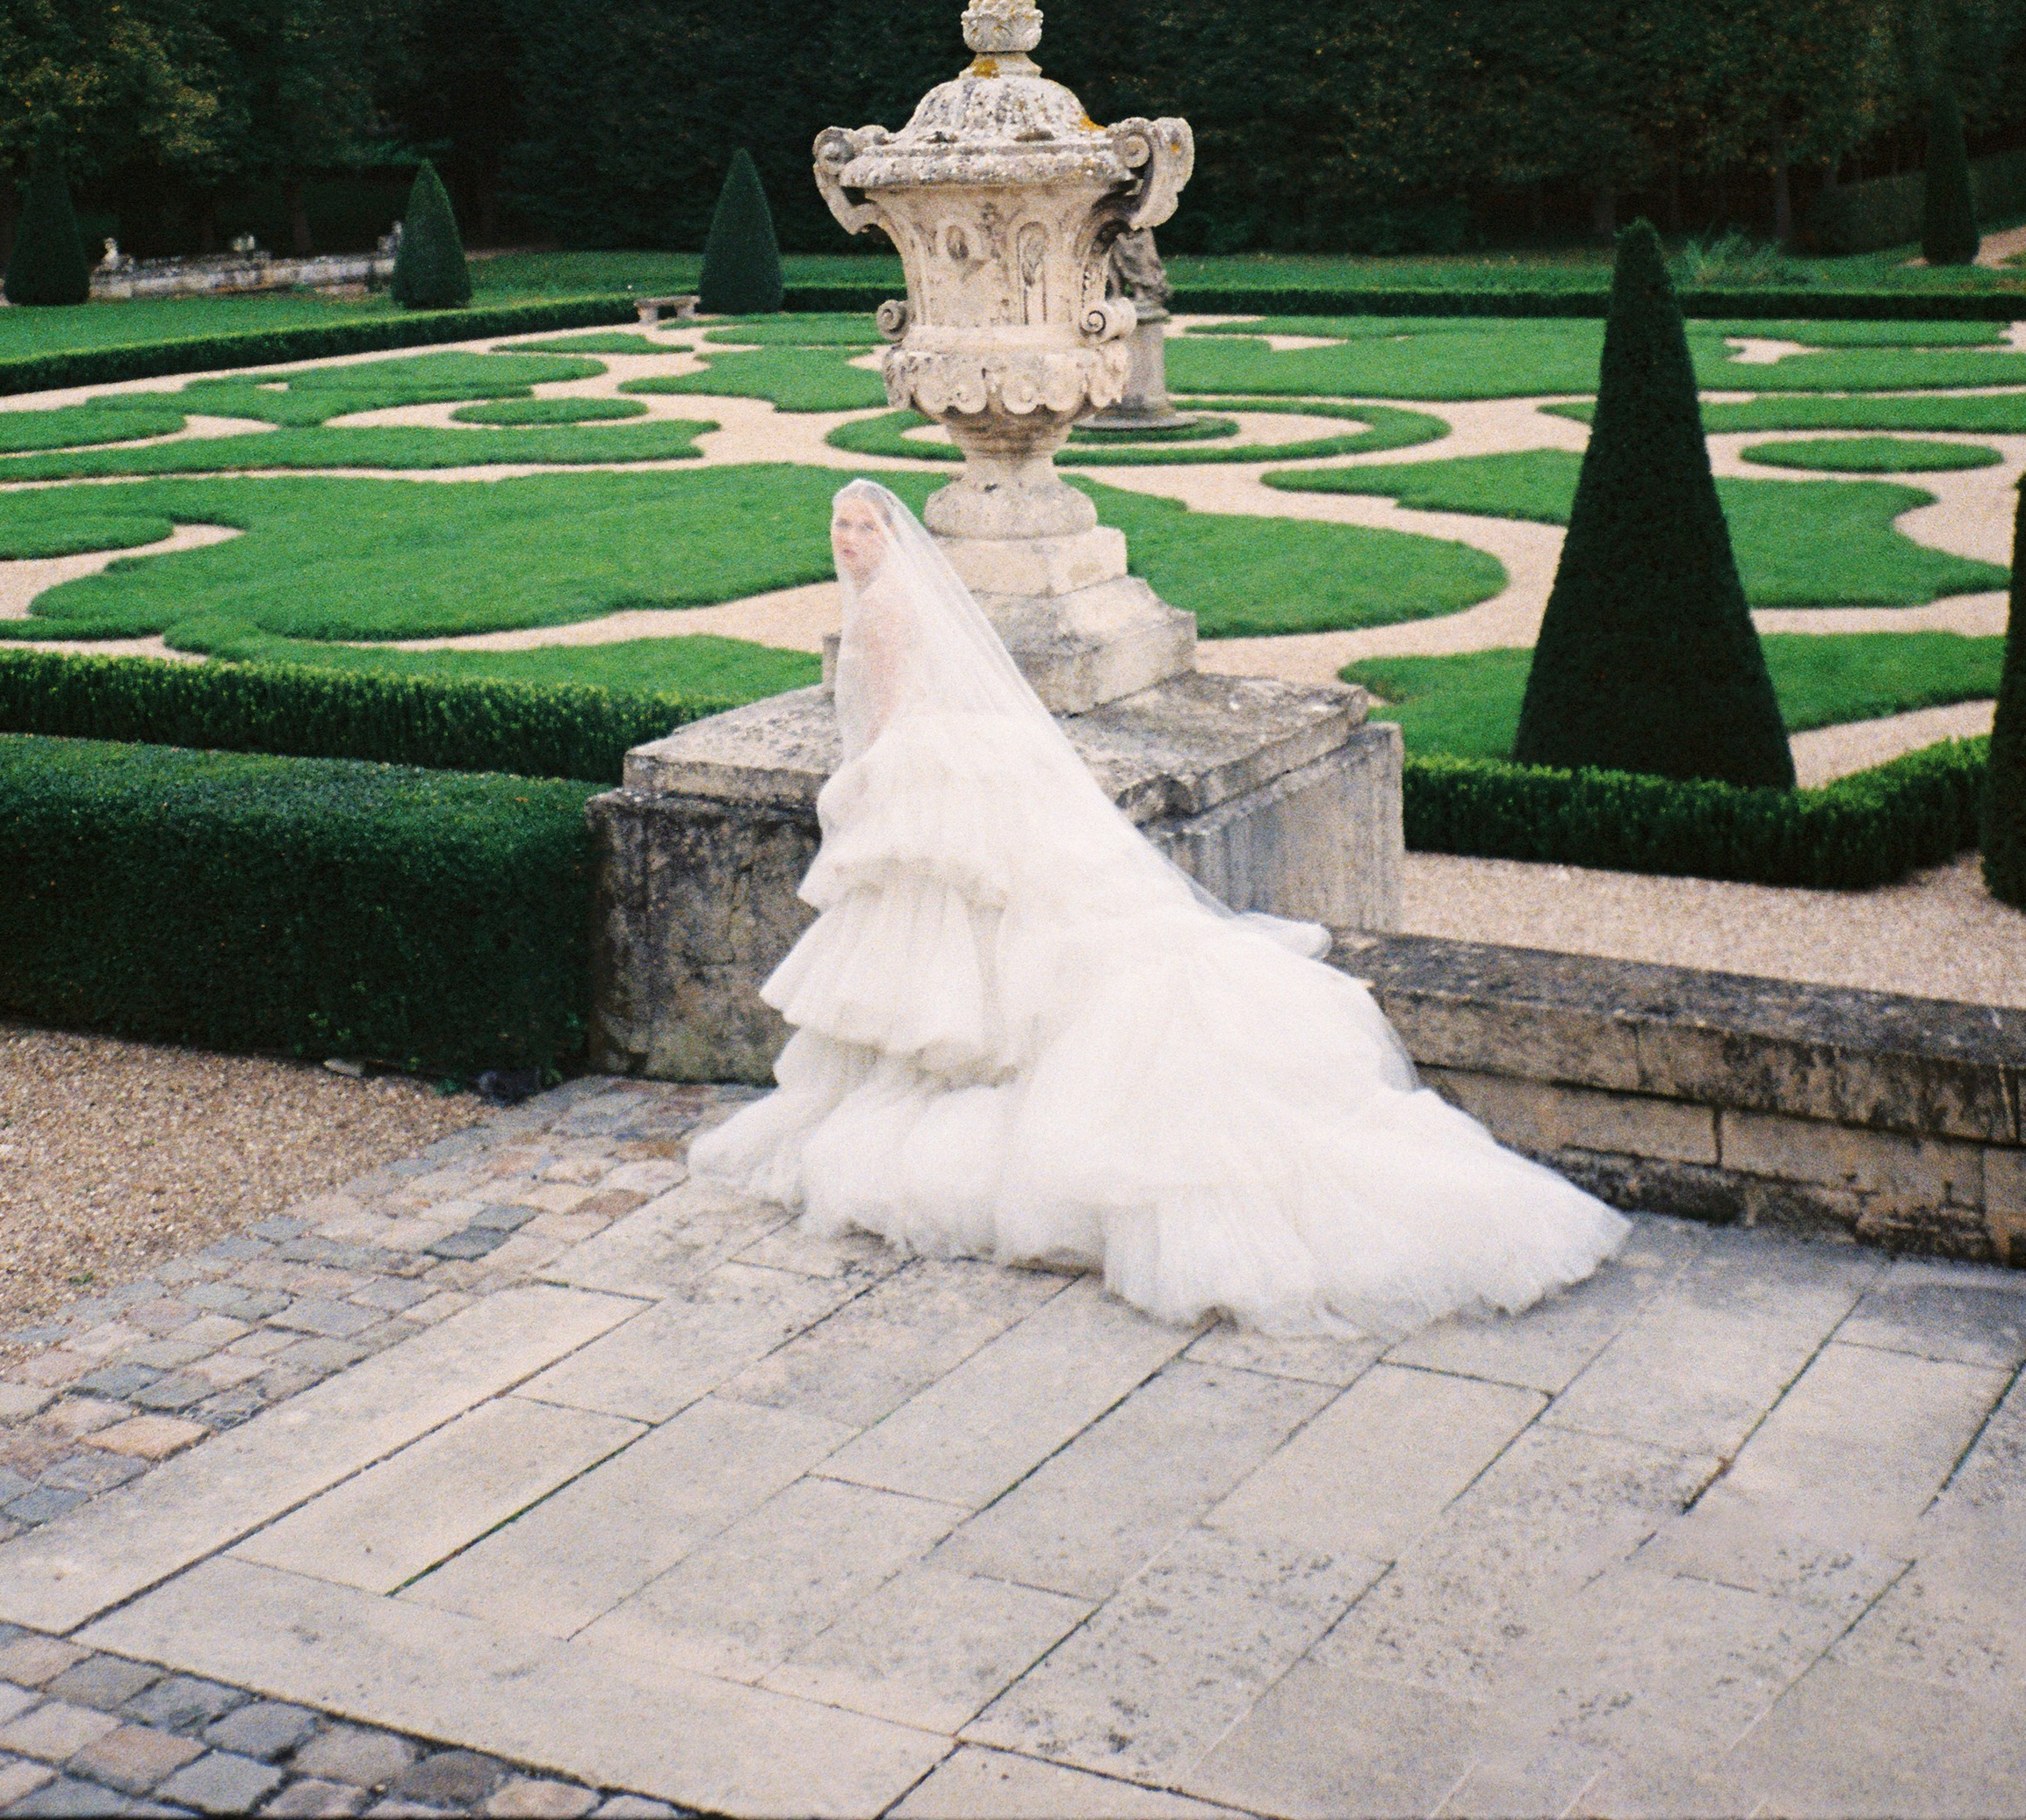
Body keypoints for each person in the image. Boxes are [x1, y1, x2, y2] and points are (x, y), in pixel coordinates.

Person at [690, 476, 1628, 1340]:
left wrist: (853, 797)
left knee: (948, 943)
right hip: (962, 770)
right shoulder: (897, 599)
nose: (849, 540)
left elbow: (889, 727)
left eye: (865, 526)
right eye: (841, 525)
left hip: (926, 778)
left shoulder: (884, 613)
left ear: (892, 541)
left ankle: (949, 1086)